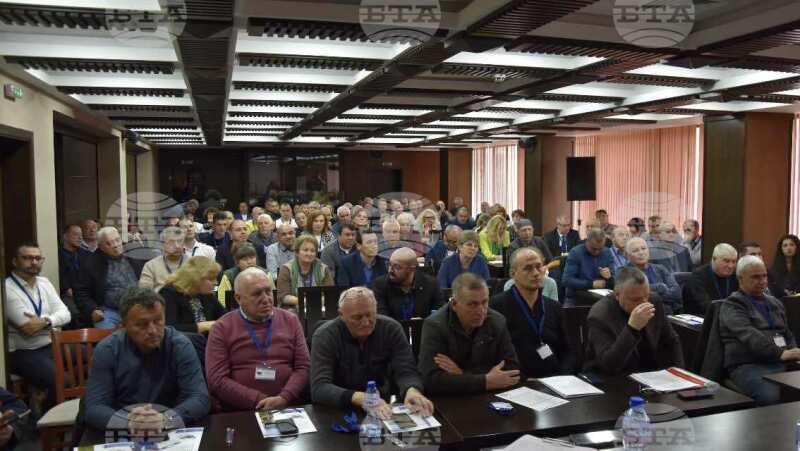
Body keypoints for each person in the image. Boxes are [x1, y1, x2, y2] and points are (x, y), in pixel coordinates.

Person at [83, 288, 209, 432]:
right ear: (123, 326)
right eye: (142, 324)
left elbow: (199, 398)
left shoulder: (180, 345)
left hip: (169, 428)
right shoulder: (108, 350)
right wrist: (129, 422)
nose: (153, 330)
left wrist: (166, 419)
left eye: (158, 321)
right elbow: (94, 407)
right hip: (123, 430)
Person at [310, 287, 434, 418]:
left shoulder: (391, 329)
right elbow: (319, 388)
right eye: (357, 317)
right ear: (341, 315)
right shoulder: (325, 336)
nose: (365, 322)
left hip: (383, 408)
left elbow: (406, 370)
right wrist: (361, 398)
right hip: (338, 410)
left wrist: (412, 390)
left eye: (370, 315)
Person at [206, 268, 310, 411]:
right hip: (242, 410)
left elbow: (303, 367)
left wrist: (284, 397)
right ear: (238, 298)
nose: (266, 299)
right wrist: (259, 400)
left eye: (268, 291)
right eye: (256, 294)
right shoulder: (222, 328)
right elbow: (217, 380)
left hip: (288, 405)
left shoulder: (290, 320)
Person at [418, 273, 519, 394]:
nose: (481, 310)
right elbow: (431, 380)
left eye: (484, 302)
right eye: (472, 304)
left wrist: (463, 373)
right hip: (450, 399)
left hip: (488, 395)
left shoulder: (497, 321)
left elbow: (512, 369)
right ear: (454, 304)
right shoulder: (435, 326)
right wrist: (485, 381)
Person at [719, 256, 800, 405]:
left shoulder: (775, 302)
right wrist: (780, 353)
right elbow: (750, 336)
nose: (762, 281)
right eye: (756, 277)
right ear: (740, 278)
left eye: (764, 276)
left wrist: (794, 352)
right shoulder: (732, 305)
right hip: (749, 365)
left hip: (782, 361)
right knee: (773, 397)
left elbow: (787, 333)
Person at [583, 267, 684, 376]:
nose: (644, 303)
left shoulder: (654, 300)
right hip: (612, 378)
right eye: (635, 300)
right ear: (617, 294)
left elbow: (671, 341)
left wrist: (679, 373)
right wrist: (632, 329)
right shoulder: (600, 314)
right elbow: (609, 364)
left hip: (650, 374)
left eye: (647, 296)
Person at [491, 248, 574, 378]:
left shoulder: (553, 307)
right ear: (513, 274)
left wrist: (563, 377)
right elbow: (494, 355)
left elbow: (568, 352)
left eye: (538, 266)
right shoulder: (497, 306)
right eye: (528, 268)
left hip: (555, 379)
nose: (535, 273)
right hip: (516, 381)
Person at [5, 242, 71, 406]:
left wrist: (46, 321)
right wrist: (53, 319)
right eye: (27, 258)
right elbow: (28, 327)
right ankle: (47, 418)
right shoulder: (6, 288)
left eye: (37, 258)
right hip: (23, 352)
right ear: (15, 261)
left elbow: (66, 314)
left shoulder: (44, 282)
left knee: (96, 357)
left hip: (50, 344)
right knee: (61, 380)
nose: (34, 262)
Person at [74, 226, 143, 328]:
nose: (115, 245)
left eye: (117, 240)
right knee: (105, 329)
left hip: (138, 307)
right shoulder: (90, 263)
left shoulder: (133, 254)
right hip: (109, 311)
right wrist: (92, 310)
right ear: (100, 247)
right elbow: (80, 292)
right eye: (109, 243)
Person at [371, 248, 442, 322]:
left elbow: (439, 315)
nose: (390, 270)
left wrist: (423, 322)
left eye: (397, 267)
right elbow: (382, 319)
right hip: (392, 328)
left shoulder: (431, 284)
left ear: (412, 269)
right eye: (389, 265)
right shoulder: (380, 285)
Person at [160, 256, 226, 335]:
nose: (216, 283)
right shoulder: (169, 294)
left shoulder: (206, 294)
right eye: (211, 279)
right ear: (195, 278)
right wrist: (203, 326)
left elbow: (225, 317)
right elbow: (169, 329)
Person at [625, 237, 682, 314]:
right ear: (628, 256)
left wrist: (657, 293)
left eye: (643, 248)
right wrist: (660, 287)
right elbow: (641, 296)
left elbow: (677, 293)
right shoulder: (626, 273)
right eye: (635, 251)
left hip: (669, 313)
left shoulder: (660, 268)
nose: (641, 253)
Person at [277, 235, 334, 308]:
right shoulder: (286, 269)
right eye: (305, 250)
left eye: (312, 251)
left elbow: (330, 294)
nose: (309, 254)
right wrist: (304, 301)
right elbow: (283, 297)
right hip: (293, 307)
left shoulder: (323, 268)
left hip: (319, 307)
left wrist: (314, 303)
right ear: (297, 252)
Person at [682, 243, 739, 316]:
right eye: (726, 261)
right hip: (702, 317)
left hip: (728, 316)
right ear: (714, 259)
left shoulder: (735, 276)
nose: (731, 266)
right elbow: (705, 306)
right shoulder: (698, 277)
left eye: (734, 262)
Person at [562, 228, 615, 306]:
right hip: (577, 298)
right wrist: (591, 284)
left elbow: (615, 281)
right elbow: (566, 280)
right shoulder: (576, 252)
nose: (597, 252)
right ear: (587, 242)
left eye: (600, 249)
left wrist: (609, 278)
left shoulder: (607, 252)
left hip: (601, 299)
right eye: (594, 249)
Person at [217, 243, 275, 308]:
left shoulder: (266, 274)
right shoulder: (228, 276)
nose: (249, 262)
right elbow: (222, 301)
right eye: (245, 259)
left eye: (252, 258)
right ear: (237, 262)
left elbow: (273, 297)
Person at [139, 227, 188, 292]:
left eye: (180, 241)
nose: (177, 246)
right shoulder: (151, 266)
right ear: (162, 244)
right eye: (171, 242)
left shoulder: (193, 263)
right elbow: (144, 293)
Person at [58, 223, 88, 297]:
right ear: (65, 236)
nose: (80, 238)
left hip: (86, 293)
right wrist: (67, 289)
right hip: (66, 294)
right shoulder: (57, 255)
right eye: (76, 234)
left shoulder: (87, 254)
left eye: (81, 235)